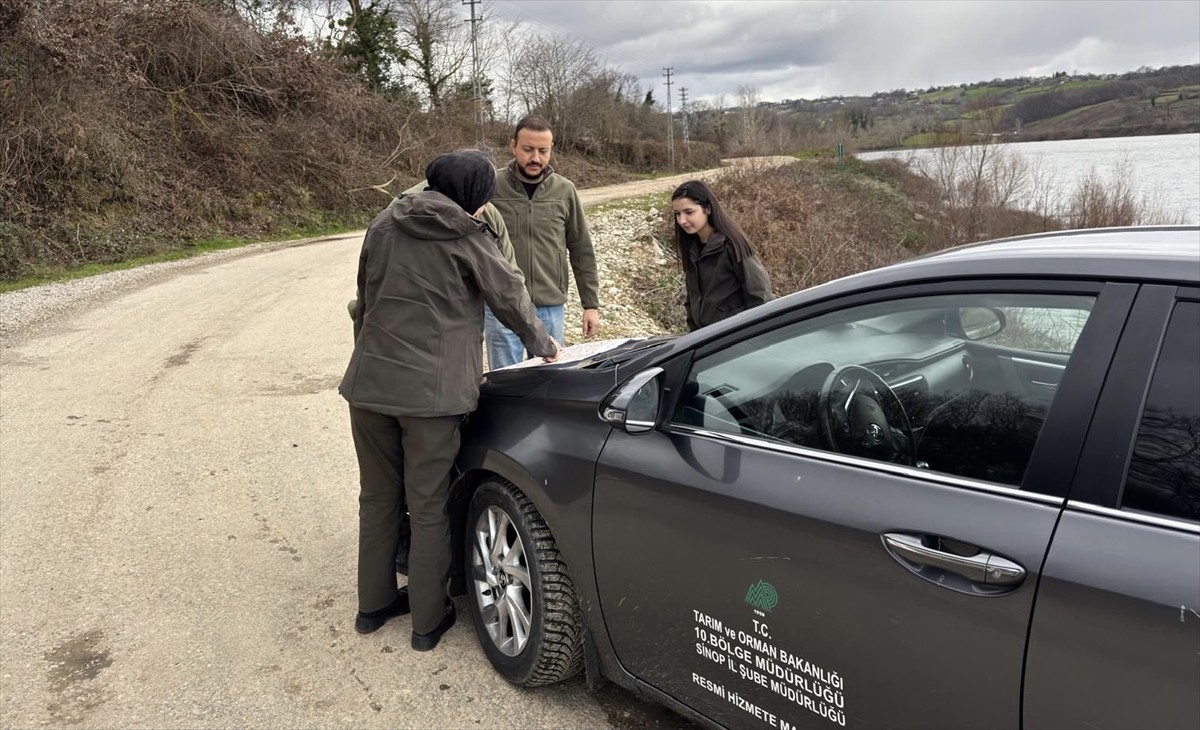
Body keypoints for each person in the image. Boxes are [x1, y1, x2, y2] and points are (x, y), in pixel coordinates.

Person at [340, 150, 559, 652]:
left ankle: (372, 607)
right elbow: (510, 297)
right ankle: (427, 620)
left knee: (377, 499)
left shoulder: (383, 223)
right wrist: (544, 345)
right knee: (429, 504)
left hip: (369, 387)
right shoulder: (466, 236)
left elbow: (364, 299)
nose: (484, 209)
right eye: (483, 200)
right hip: (432, 399)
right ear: (474, 197)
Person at [485, 115, 601, 368]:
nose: (535, 158)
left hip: (550, 307)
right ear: (513, 146)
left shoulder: (565, 190)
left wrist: (590, 304)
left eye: (543, 151)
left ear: (551, 150)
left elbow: (581, 249)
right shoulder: (491, 187)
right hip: (502, 305)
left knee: (549, 378)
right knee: (504, 380)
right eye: (528, 149)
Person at [670, 180, 773, 331]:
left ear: (708, 209)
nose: (682, 221)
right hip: (706, 338)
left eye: (689, 212)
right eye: (678, 214)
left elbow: (759, 295)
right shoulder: (692, 247)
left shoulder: (732, 245)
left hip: (734, 338)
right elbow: (692, 298)